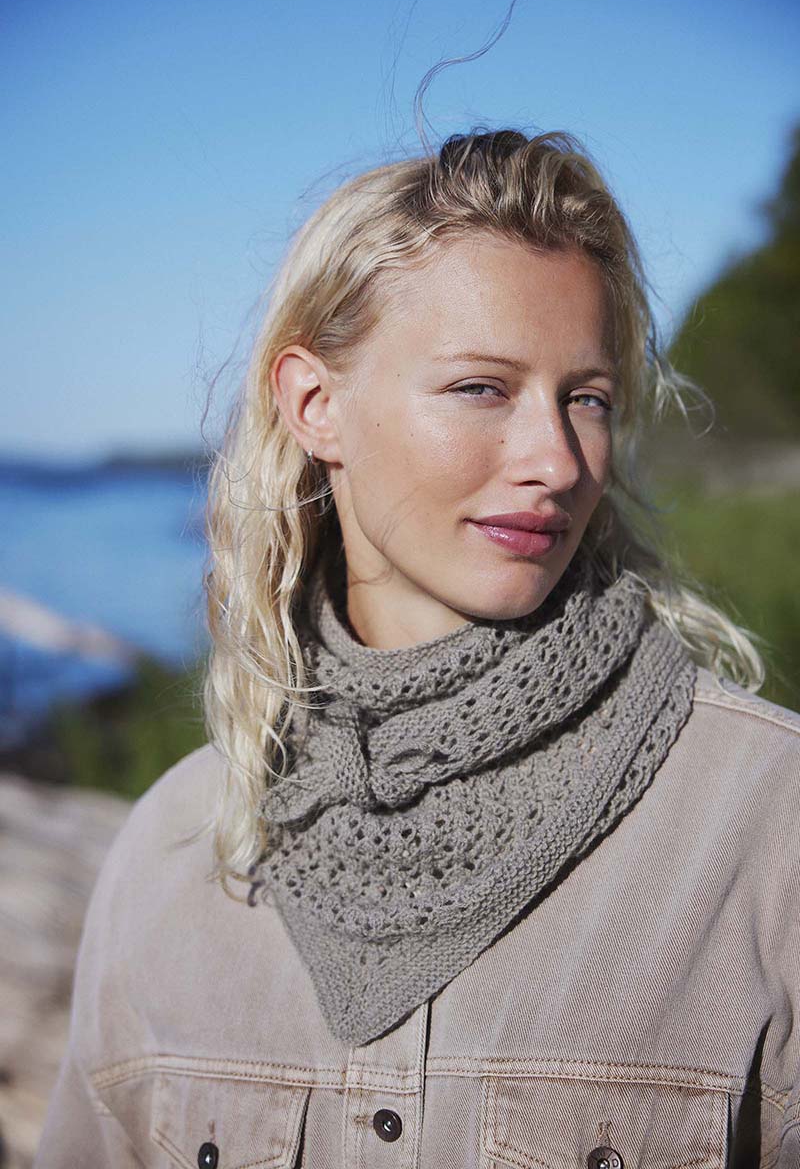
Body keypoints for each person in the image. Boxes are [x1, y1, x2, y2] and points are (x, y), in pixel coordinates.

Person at [35, 127, 799, 1168]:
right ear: (315, 406)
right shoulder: (175, 852)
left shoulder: (763, 823)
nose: (555, 460)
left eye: (586, 398)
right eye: (481, 388)